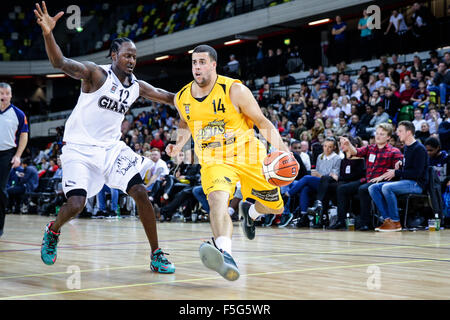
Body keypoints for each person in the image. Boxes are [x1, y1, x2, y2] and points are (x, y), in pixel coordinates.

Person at [34, 2, 175, 273]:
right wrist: (49, 34)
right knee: (76, 204)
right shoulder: (95, 74)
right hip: (79, 149)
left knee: (140, 192)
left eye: (134, 57)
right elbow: (59, 62)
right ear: (113, 56)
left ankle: (156, 254)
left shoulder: (136, 86)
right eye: (127, 56)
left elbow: (168, 97)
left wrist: (198, 95)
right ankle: (53, 231)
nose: (132, 61)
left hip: (111, 150)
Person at [166, 44, 295, 281]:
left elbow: (262, 122)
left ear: (214, 64)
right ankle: (225, 253)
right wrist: (177, 144)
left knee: (276, 208)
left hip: (249, 155)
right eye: (194, 63)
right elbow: (184, 124)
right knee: (217, 199)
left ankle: (252, 212)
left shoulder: (234, 90)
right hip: (214, 160)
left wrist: (285, 152)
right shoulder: (182, 97)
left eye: (202, 62)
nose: (197, 67)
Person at [340, 123, 403, 230]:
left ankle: (365, 222)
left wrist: (398, 165)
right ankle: (341, 221)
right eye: (377, 133)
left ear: (388, 137)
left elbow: (398, 168)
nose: (378, 136)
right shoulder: (370, 148)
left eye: (382, 134)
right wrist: (348, 144)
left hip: (381, 182)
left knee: (363, 189)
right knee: (342, 189)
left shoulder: (394, 151)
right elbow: (356, 152)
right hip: (369, 179)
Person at [368, 121, 428, 232]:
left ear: (409, 132)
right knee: (373, 188)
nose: (397, 133)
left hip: (417, 184)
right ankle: (387, 219)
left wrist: (396, 173)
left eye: (400, 131)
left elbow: (416, 174)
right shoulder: (407, 147)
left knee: (387, 187)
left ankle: (395, 222)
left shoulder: (419, 149)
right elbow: (408, 167)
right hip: (407, 181)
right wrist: (401, 163)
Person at [0, 82, 29, 237]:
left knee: (1, 190)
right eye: (1, 93)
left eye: (6, 93)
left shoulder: (18, 114)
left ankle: (0, 226)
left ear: (11, 95)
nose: (3, 96)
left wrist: (17, 155)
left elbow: (24, 135)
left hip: (6, 154)